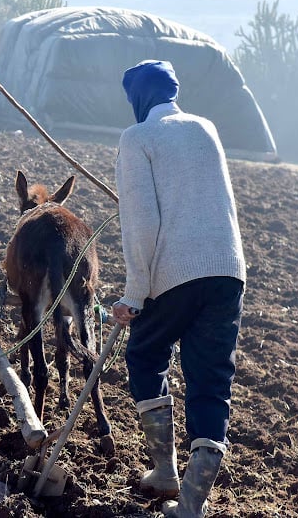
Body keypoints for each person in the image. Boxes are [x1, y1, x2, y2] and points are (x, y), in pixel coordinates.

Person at [111, 60, 246, 518]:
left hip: (176, 272)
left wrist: (133, 294)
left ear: (138, 98)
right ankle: (190, 505)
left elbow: (142, 225)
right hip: (228, 270)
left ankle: (165, 470)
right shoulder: (205, 128)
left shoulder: (137, 139)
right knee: (211, 380)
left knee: (146, 354)